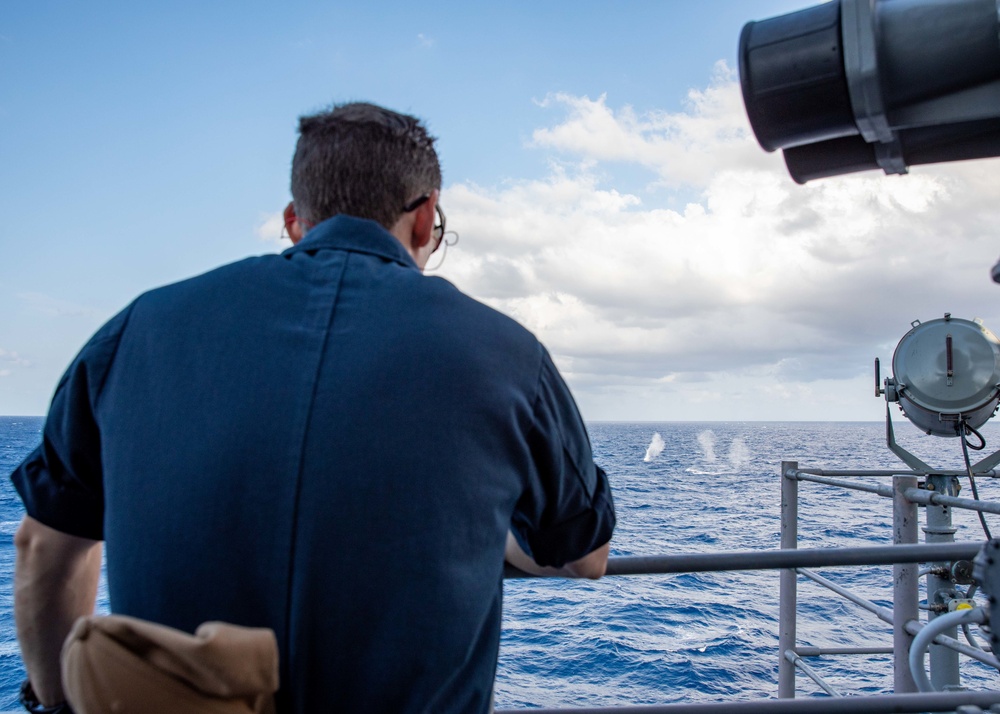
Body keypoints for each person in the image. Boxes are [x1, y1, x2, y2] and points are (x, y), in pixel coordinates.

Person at [11, 101, 616, 713]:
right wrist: (488, 532)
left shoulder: (137, 330)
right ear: (426, 215)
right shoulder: (510, 354)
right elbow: (585, 555)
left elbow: (44, 546)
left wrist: (62, 701)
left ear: (295, 221)